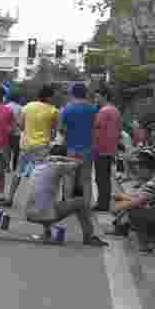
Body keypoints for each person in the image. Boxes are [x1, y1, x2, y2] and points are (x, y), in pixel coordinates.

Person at [24, 149, 107, 246]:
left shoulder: (36, 166)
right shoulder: (58, 166)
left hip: (30, 213)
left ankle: (47, 232)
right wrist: (62, 158)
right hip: (44, 214)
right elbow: (80, 163)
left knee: (47, 199)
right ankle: (89, 237)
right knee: (80, 202)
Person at [111, 147, 155, 253]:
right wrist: (121, 198)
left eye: (139, 169)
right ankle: (122, 228)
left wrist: (118, 207)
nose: (137, 172)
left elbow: (138, 201)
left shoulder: (154, 182)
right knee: (127, 203)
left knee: (134, 209)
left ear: (146, 169)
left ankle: (146, 242)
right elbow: (138, 197)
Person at [9, 85, 59, 205]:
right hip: (42, 146)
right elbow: (53, 133)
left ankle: (10, 197)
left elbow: (20, 125)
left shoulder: (28, 107)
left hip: (26, 145)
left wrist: (28, 130)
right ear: (49, 97)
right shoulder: (53, 111)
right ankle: (36, 202)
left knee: (18, 172)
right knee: (40, 174)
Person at [59, 82, 99, 220]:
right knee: (86, 179)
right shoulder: (92, 109)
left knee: (69, 177)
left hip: (71, 148)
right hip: (87, 148)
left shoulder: (67, 109)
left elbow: (61, 128)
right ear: (85, 93)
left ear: (73, 93)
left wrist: (69, 132)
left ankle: (67, 206)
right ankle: (87, 207)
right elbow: (96, 127)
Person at [93, 88, 122, 212]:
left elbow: (96, 127)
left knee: (101, 177)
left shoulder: (104, 111)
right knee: (105, 176)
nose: (95, 99)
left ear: (104, 96)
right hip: (111, 148)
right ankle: (104, 202)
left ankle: (102, 203)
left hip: (101, 147)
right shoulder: (116, 110)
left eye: (97, 97)